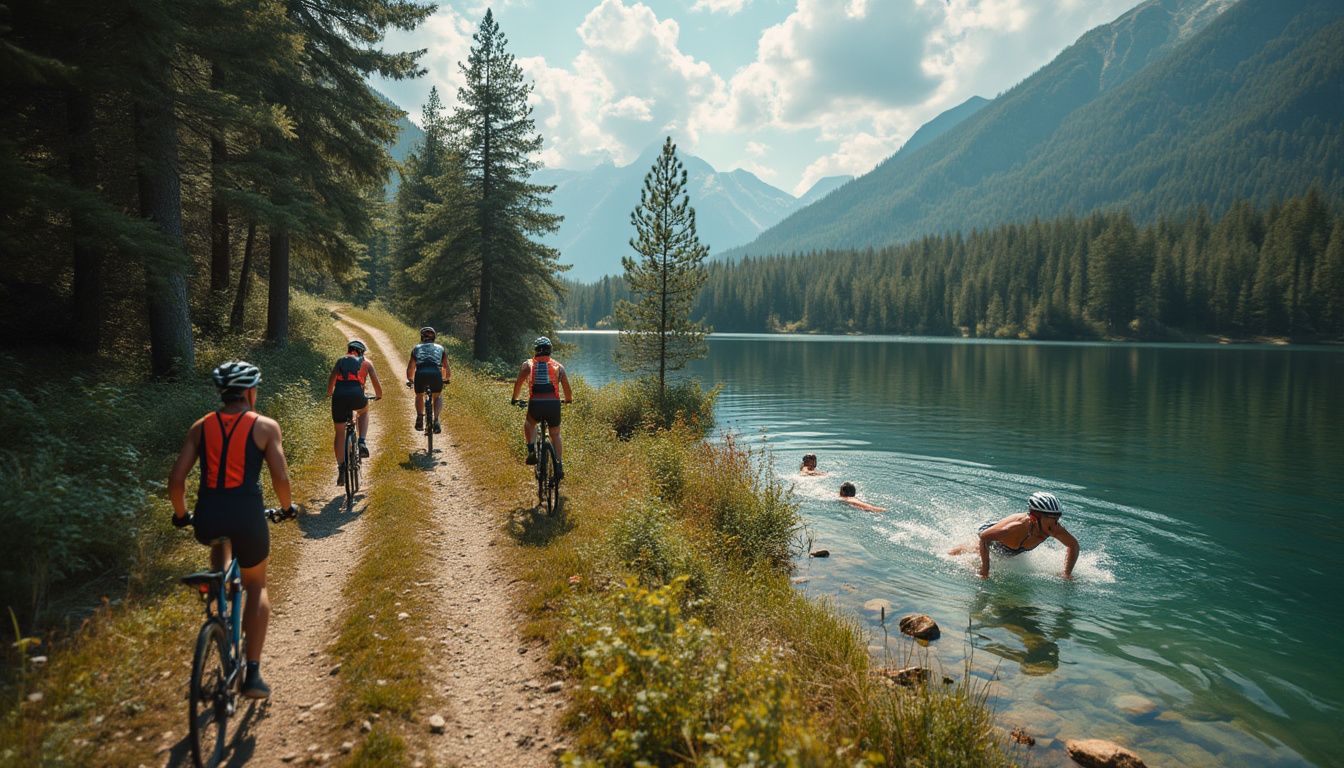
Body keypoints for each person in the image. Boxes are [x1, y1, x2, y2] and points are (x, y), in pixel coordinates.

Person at [168, 361, 298, 700]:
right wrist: (286, 509)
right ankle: (252, 674)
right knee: (256, 585)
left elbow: (176, 480)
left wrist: (182, 516)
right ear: (251, 392)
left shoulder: (201, 427)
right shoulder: (266, 427)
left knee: (220, 544)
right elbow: (280, 478)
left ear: (222, 393)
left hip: (209, 516)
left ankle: (218, 589)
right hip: (247, 515)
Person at [949, 491, 1079, 580]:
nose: (1056, 523)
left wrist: (1066, 573)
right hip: (990, 538)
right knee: (960, 555)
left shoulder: (1054, 528)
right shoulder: (1015, 528)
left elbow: (1073, 545)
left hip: (1006, 547)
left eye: (1058, 518)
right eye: (1051, 518)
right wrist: (985, 571)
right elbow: (984, 537)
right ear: (1035, 518)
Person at [510, 336, 573, 479]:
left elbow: (518, 383)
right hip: (553, 406)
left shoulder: (528, 365)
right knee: (555, 434)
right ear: (550, 350)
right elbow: (567, 390)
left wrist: (515, 399)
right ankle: (559, 465)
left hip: (535, 405)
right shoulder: (559, 367)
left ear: (536, 351)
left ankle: (531, 450)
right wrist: (568, 400)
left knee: (529, 424)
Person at [327, 339, 383, 486]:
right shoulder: (366, 363)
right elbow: (377, 386)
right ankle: (362, 442)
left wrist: (330, 393)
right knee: (363, 412)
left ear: (349, 349)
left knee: (339, 432)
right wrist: (378, 395)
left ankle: (341, 468)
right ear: (362, 352)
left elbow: (331, 383)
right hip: (357, 395)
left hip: (339, 397)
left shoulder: (340, 361)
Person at [406, 326, 450, 433]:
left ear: (422, 337)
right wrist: (446, 379)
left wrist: (411, 379)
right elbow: (446, 367)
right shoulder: (440, 348)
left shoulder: (416, 348)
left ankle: (420, 418)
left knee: (419, 395)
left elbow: (411, 367)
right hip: (435, 374)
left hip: (421, 373)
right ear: (434, 337)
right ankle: (436, 421)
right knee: (437, 395)